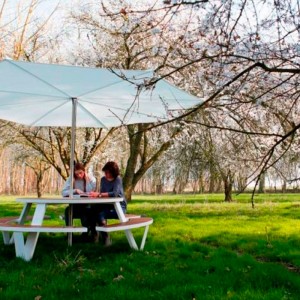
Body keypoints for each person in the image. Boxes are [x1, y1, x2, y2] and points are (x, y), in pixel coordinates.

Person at [90, 161, 127, 246]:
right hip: (107, 205)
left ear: (113, 172)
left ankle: (106, 238)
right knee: (92, 210)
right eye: (105, 172)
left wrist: (99, 194)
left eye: (108, 172)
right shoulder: (103, 179)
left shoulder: (118, 179)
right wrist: (96, 195)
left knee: (100, 214)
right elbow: (103, 194)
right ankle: (94, 234)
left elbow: (115, 193)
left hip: (119, 207)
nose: (106, 174)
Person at [62, 162, 96, 237]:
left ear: (84, 171)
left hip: (87, 205)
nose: (79, 175)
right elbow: (63, 193)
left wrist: (86, 180)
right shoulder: (71, 179)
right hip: (75, 205)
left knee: (85, 211)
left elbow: (90, 192)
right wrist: (75, 190)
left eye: (81, 173)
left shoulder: (91, 179)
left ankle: (86, 233)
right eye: (77, 174)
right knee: (68, 211)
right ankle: (69, 234)